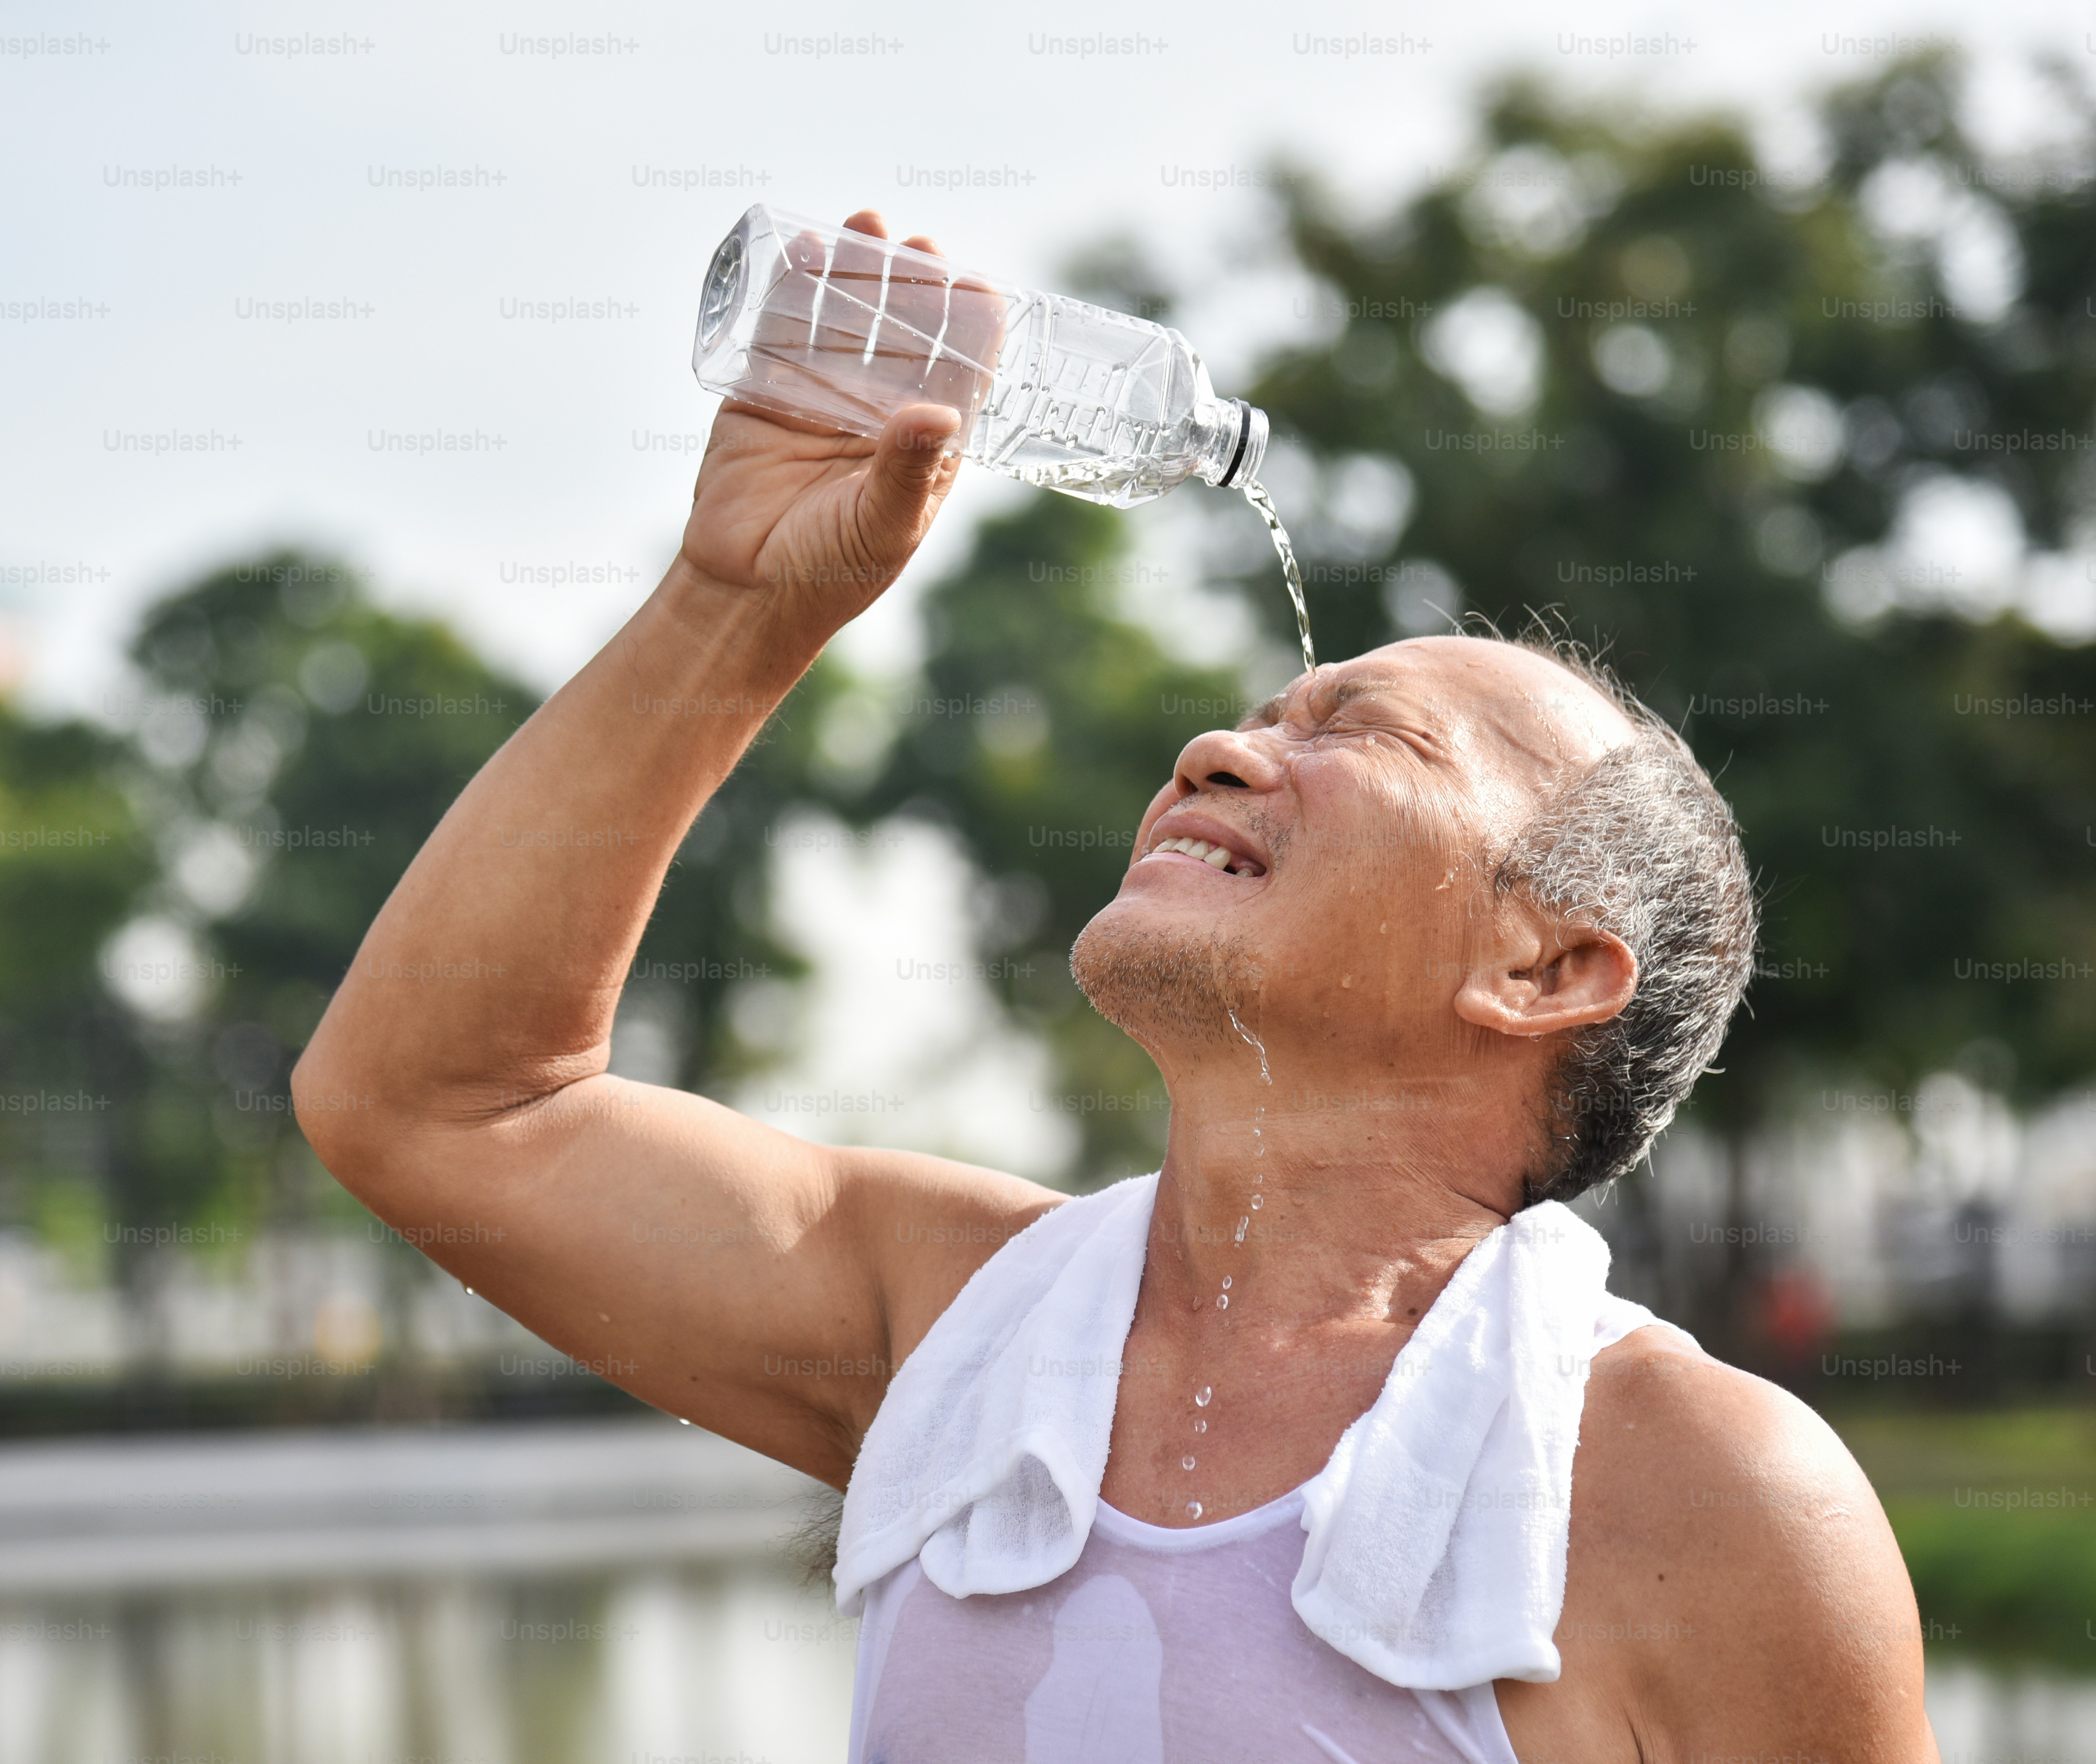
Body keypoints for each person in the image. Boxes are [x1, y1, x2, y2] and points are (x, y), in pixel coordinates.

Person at [294, 210, 1940, 1763]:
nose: (1215, 745)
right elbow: (434, 1103)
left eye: (1361, 732)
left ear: (1547, 966)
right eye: (1263, 717)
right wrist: (734, 607)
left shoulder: (1712, 1498)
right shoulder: (953, 1326)